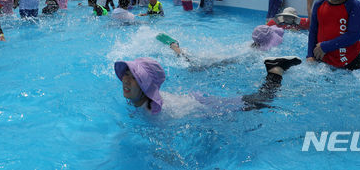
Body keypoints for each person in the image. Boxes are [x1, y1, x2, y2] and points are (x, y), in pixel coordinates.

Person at [114, 56, 302, 115]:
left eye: (134, 77)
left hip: (207, 107)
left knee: (264, 100)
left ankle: (275, 70)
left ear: (146, 86)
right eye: (125, 75)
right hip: (193, 100)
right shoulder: (139, 101)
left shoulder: (154, 113)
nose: (125, 80)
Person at [307, 0, 360, 70]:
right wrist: (310, 55)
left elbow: (354, 35)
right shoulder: (319, 5)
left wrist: (326, 46)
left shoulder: (354, 6)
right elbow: (313, 31)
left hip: (349, 60)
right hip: (323, 56)